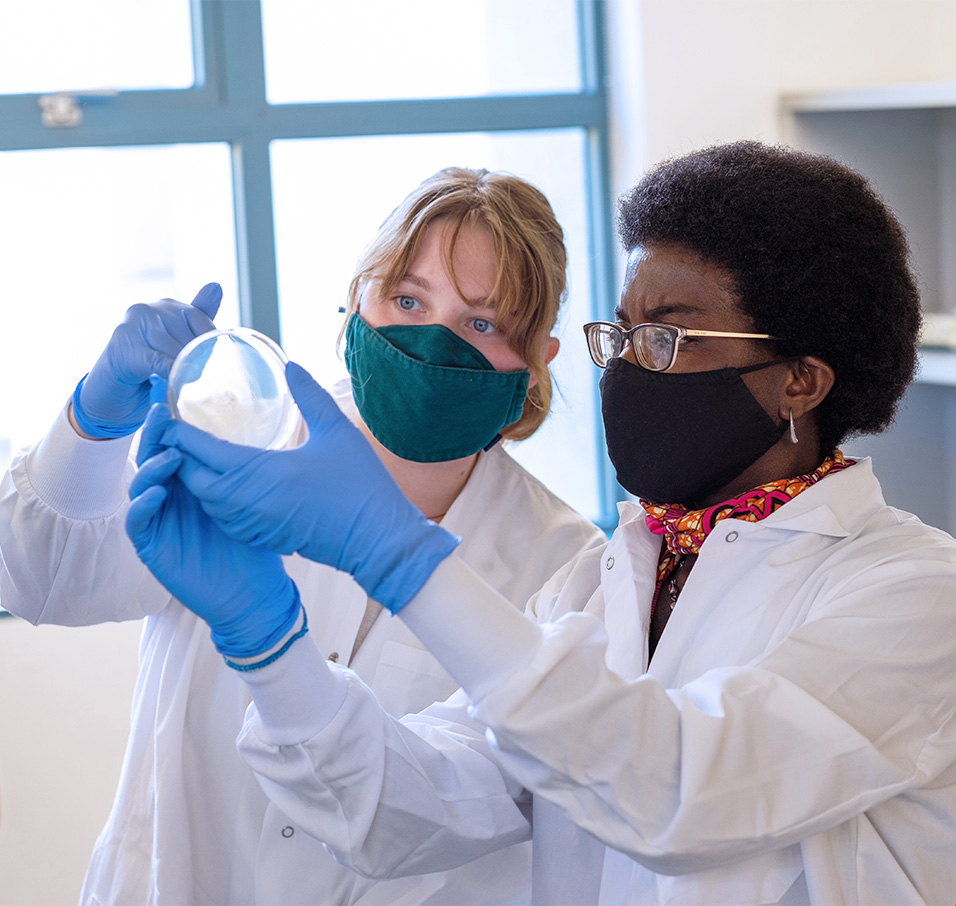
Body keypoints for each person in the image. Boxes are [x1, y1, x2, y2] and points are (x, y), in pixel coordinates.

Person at [130, 140, 956, 905]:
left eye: (666, 337)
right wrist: (266, 641)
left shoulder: (912, 596)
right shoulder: (598, 586)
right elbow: (398, 810)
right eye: (623, 333)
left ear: (800, 383)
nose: (630, 363)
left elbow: (681, 791)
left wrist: (398, 555)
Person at [0, 167, 605, 905]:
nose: (431, 342)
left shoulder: (566, 568)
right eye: (408, 300)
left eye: (481, 323)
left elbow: (436, 810)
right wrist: (94, 420)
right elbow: (35, 576)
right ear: (356, 303)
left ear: (538, 362)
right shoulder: (240, 437)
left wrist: (266, 638)